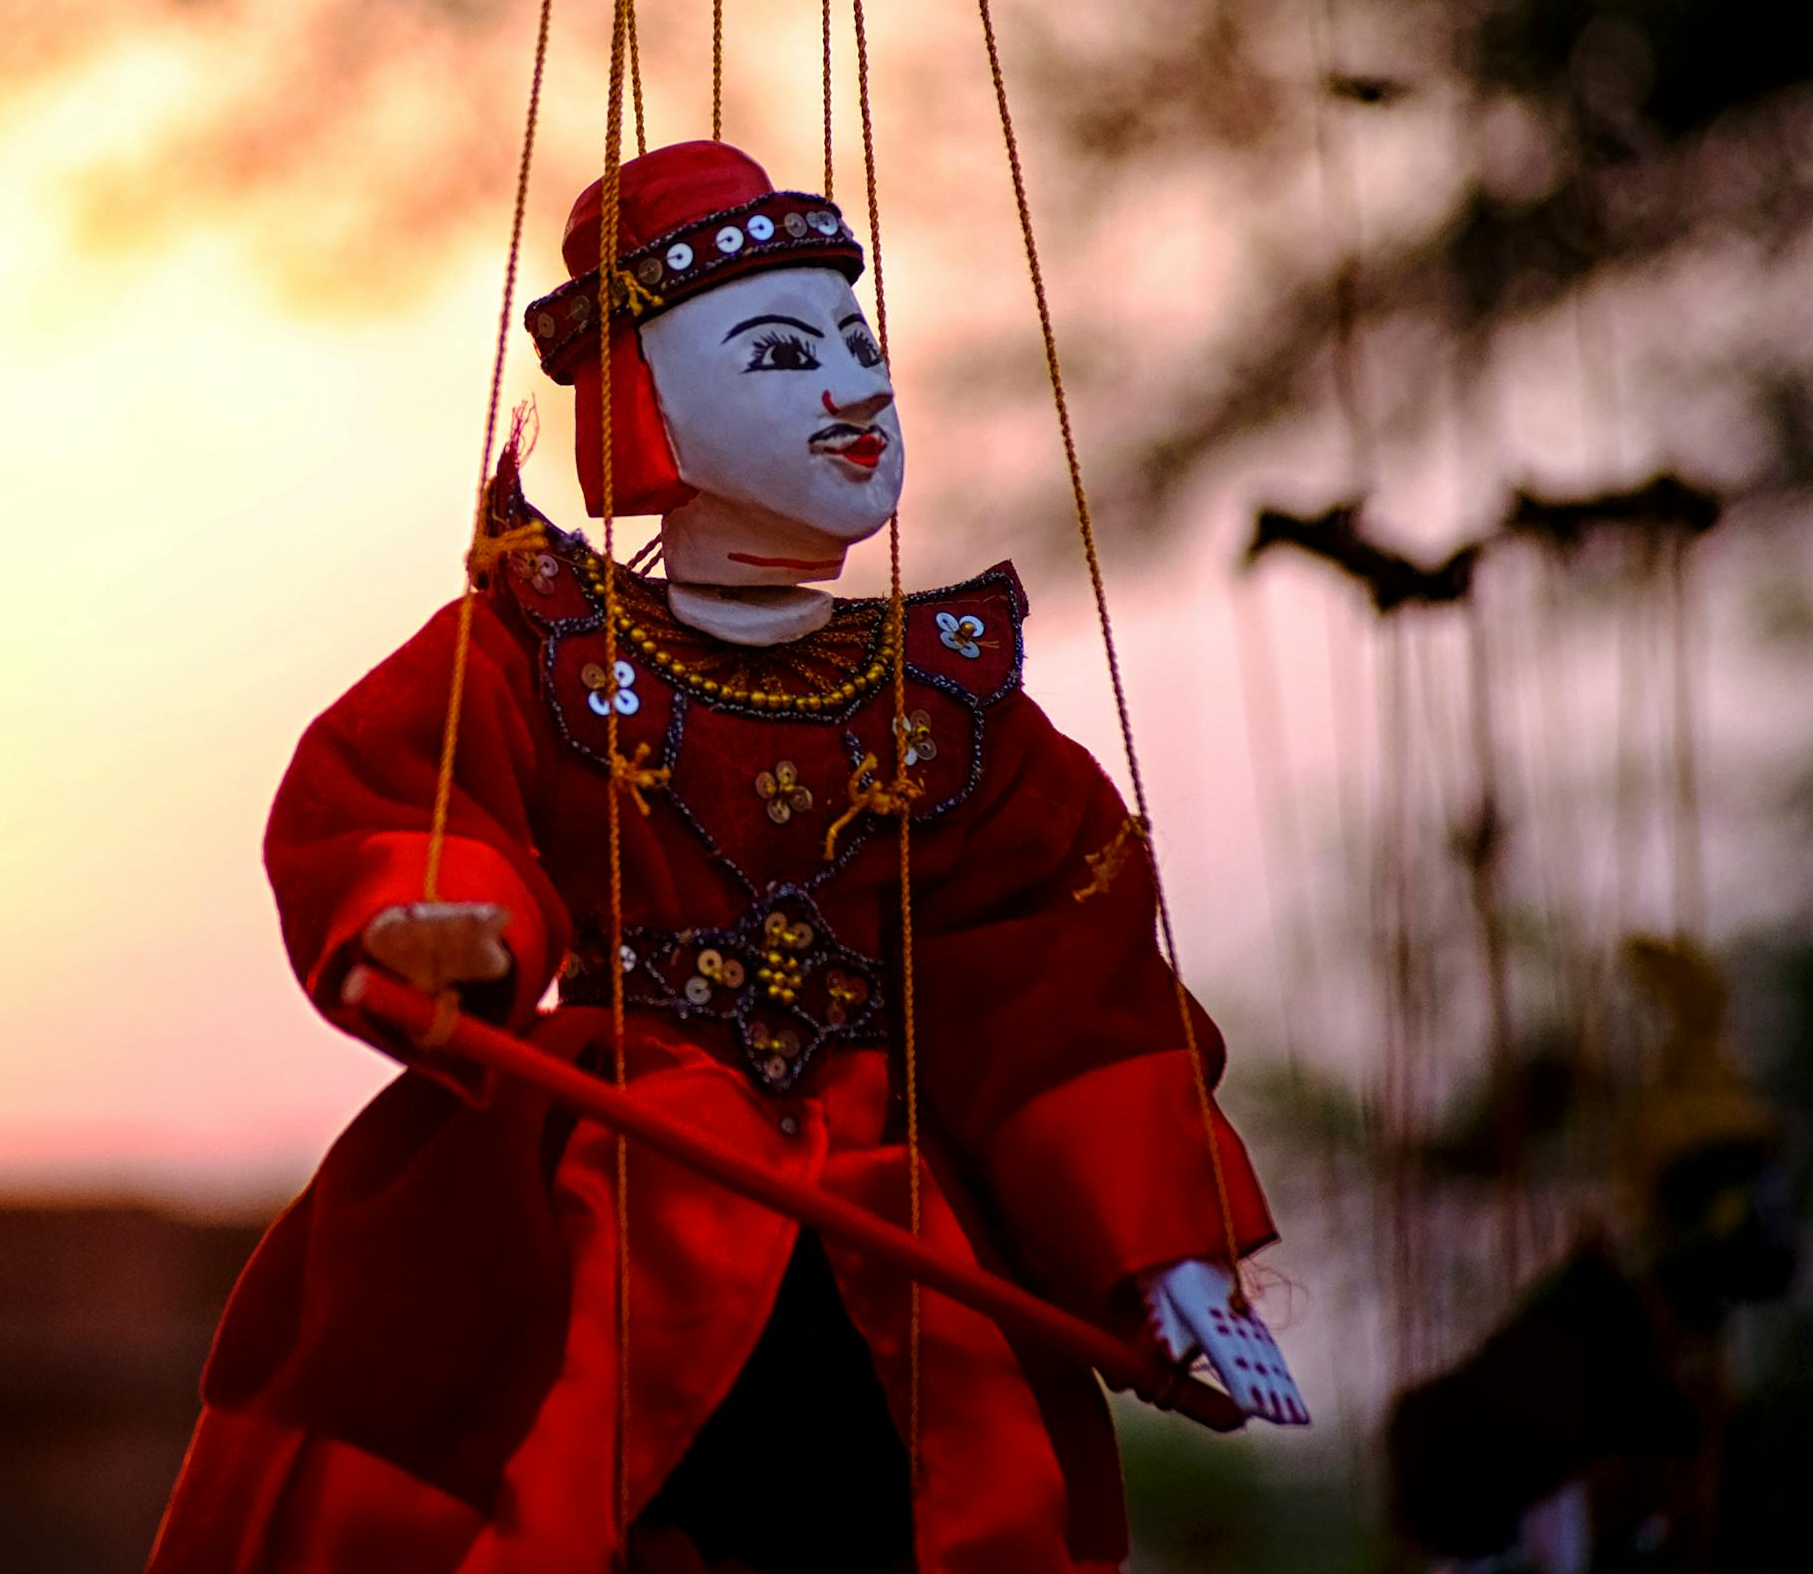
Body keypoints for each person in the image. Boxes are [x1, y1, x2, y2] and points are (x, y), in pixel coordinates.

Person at [153, 140, 1304, 1574]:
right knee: (525, 1456)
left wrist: (1166, 1260)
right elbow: (406, 795)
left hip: (893, 1224)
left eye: (859, 342)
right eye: (779, 353)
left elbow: (1057, 973)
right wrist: (442, 925)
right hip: (608, 1186)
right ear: (647, 408)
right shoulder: (538, 648)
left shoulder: (947, 705)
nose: (856, 387)